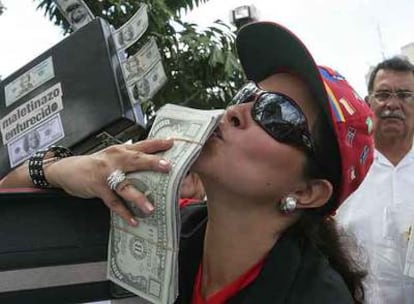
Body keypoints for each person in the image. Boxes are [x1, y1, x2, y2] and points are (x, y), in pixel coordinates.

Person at [0, 21, 374, 303]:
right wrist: (68, 168)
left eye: (277, 114)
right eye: (247, 95)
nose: (234, 111)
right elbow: (10, 200)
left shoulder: (315, 296)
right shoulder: (158, 221)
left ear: (306, 191)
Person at [336, 56, 414, 304]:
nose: (393, 104)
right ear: (368, 102)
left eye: (405, 95)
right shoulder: (345, 171)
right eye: (383, 94)